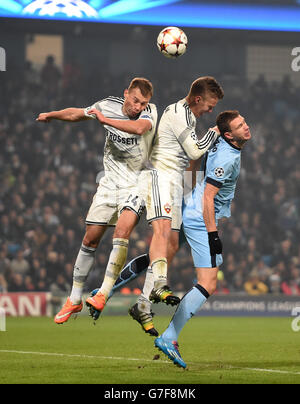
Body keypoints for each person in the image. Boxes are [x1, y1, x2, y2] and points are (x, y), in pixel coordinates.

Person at [88, 77, 224, 335]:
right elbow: (195, 152)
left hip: (170, 184)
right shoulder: (179, 113)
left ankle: (140, 302)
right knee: (158, 237)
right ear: (198, 99)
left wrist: (187, 191)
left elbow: (187, 160)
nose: (211, 110)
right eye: (210, 104)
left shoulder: (188, 117)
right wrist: (215, 131)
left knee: (168, 245)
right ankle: (110, 291)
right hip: (159, 179)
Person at [36, 77, 157, 324]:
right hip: (109, 183)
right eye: (135, 101)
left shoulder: (150, 113)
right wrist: (53, 114)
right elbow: (77, 114)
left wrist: (104, 121)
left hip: (138, 181)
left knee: (122, 231)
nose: (138, 107)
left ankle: (102, 293)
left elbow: (139, 129)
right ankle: (74, 298)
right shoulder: (107, 105)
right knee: (90, 239)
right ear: (126, 94)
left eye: (143, 103)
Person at [154, 110, 251, 368]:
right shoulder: (227, 159)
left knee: (164, 250)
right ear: (230, 134)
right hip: (200, 216)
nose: (247, 127)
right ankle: (169, 337)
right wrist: (213, 235)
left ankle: (111, 287)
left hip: (189, 204)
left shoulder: (218, 138)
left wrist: (185, 193)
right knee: (208, 282)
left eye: (245, 122)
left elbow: (195, 155)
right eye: (241, 125)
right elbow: (209, 197)